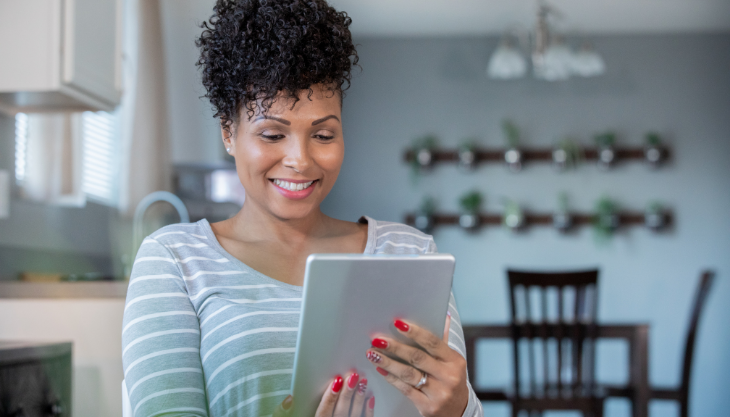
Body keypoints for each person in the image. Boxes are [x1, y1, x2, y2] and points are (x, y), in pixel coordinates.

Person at [121, 1, 484, 416]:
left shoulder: (410, 252)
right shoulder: (175, 261)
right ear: (228, 131)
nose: (301, 160)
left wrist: (459, 407)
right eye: (273, 134)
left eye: (324, 134)